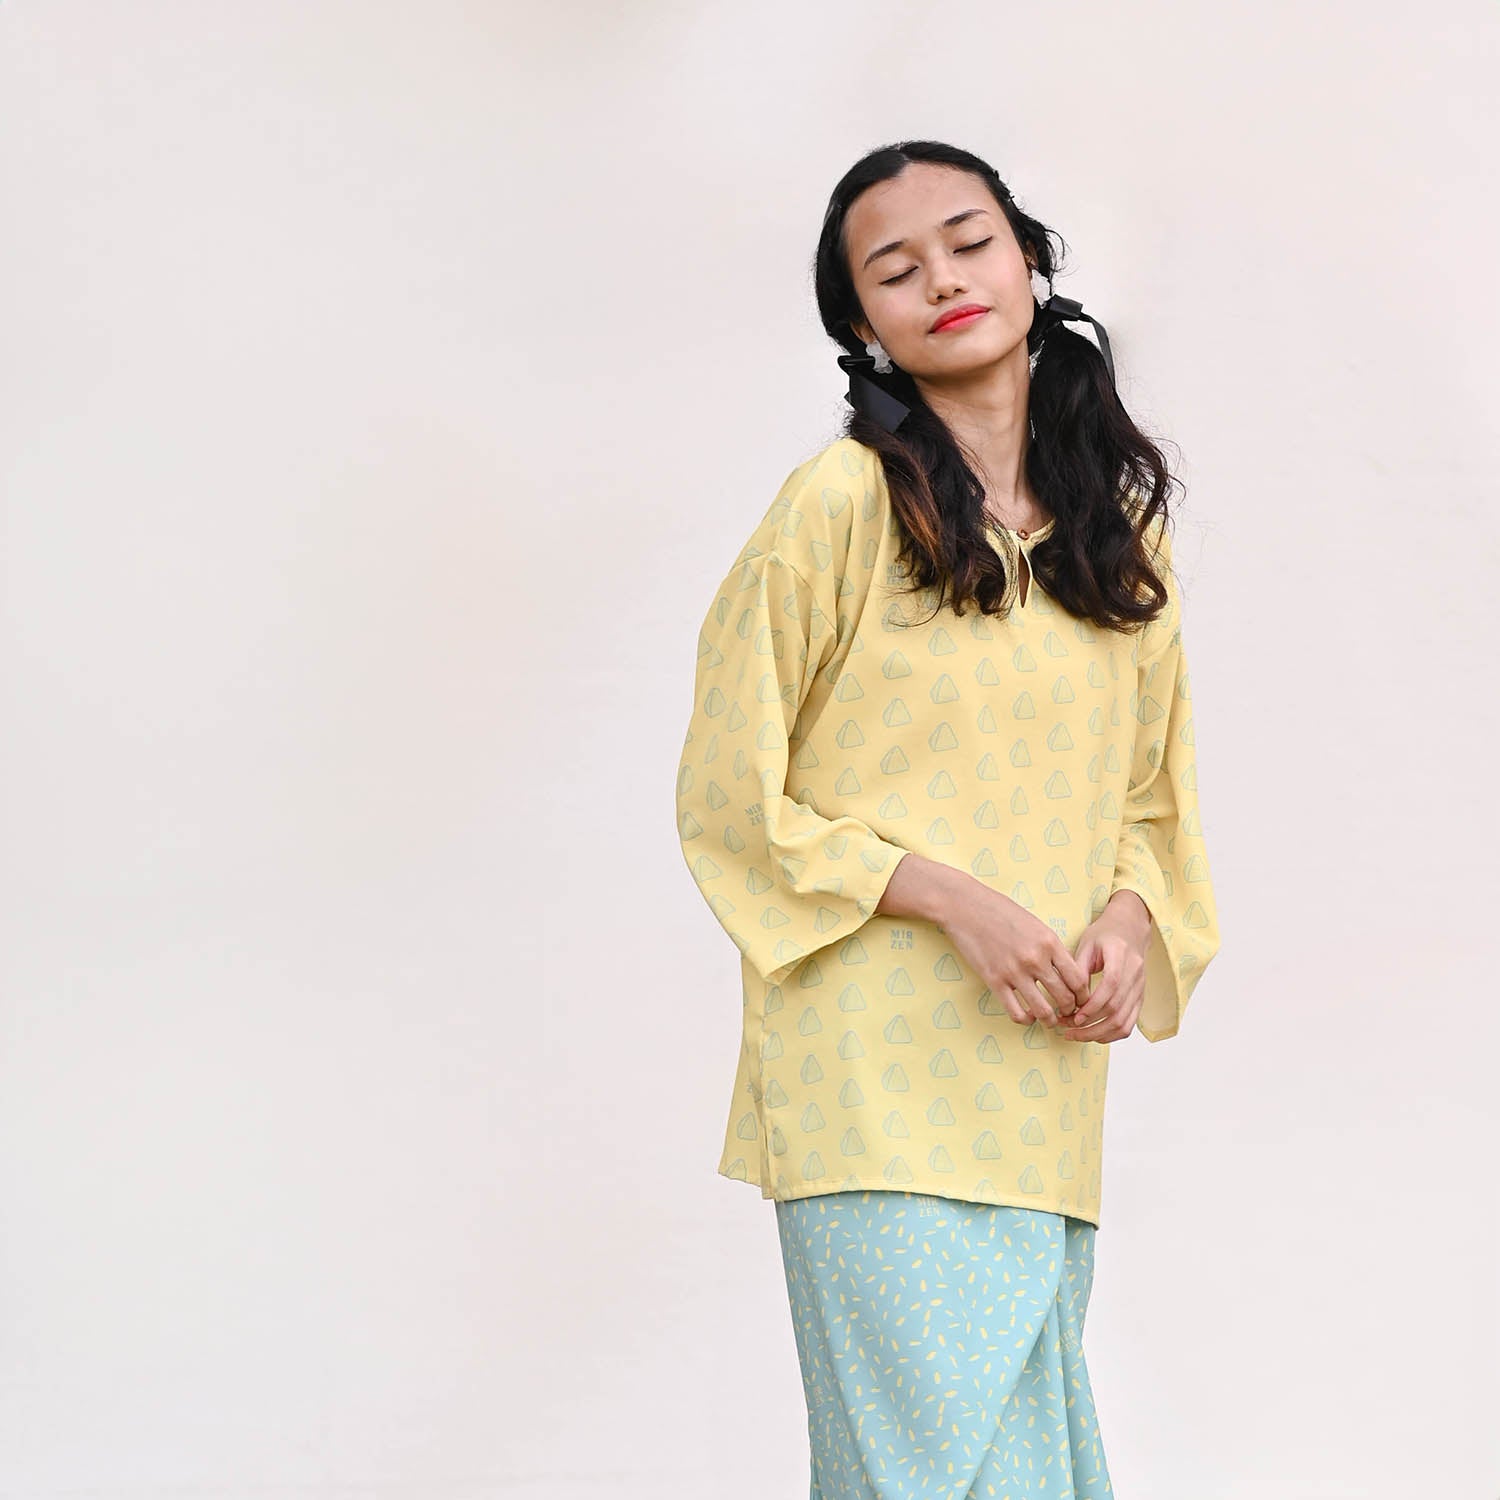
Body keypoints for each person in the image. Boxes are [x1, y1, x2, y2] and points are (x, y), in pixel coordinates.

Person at [672, 139, 1222, 1499]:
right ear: (864, 325)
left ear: (1029, 263)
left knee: (1030, 1468)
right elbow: (731, 800)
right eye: (895, 268)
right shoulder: (839, 507)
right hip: (869, 1079)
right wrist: (954, 900)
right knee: (920, 1474)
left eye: (970, 243)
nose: (944, 279)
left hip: (1040, 1086)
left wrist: (1126, 924)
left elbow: (1150, 800)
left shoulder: (1117, 537)